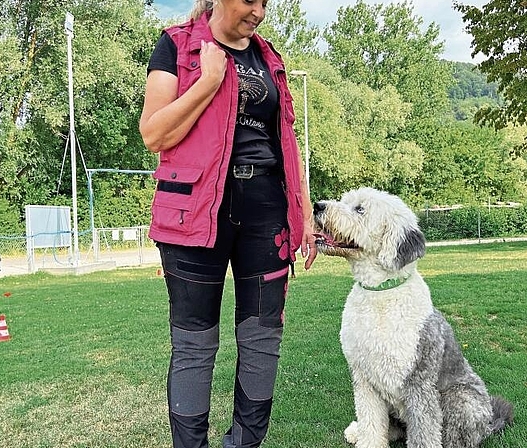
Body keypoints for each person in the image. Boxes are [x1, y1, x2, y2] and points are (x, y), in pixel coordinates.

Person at [139, 0, 317, 447]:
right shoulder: (176, 46)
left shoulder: (269, 58)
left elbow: (287, 141)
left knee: (262, 339)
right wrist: (210, 81)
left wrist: (304, 210)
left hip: (266, 210)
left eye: (265, 3)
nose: (259, 11)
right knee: (195, 343)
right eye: (250, 0)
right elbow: (154, 134)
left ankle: (244, 443)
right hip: (194, 212)